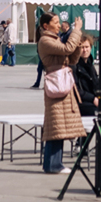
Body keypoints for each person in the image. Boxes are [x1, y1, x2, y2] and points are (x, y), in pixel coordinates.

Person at [38, 15, 89, 173]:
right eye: (55, 22)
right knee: (56, 126)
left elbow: (71, 58)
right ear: (46, 26)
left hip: (61, 84)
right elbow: (66, 49)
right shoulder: (45, 41)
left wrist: (77, 44)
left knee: (59, 126)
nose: (59, 25)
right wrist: (76, 30)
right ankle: (53, 165)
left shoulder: (55, 39)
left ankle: (54, 163)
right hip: (57, 85)